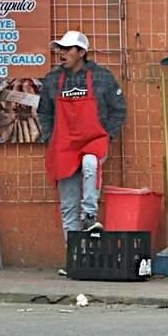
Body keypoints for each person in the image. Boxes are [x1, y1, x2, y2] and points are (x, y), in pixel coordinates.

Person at [37, 31, 126, 270]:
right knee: (67, 207)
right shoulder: (51, 80)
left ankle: (89, 215)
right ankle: (75, 260)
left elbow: (118, 110)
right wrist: (50, 136)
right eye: (60, 49)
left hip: (93, 141)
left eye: (67, 49)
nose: (62, 54)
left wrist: (107, 135)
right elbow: (44, 112)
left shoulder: (102, 78)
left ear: (82, 53)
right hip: (63, 146)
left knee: (90, 163)